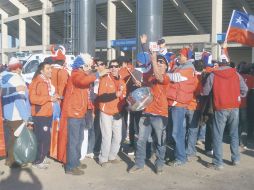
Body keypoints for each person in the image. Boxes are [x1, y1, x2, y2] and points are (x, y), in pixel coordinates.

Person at [62, 54, 107, 175]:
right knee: (74, 140)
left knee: (79, 139)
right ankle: (71, 167)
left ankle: (75, 162)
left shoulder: (82, 74)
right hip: (74, 112)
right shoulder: (76, 74)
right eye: (87, 65)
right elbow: (82, 82)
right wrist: (97, 74)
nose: (90, 67)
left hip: (80, 112)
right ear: (81, 65)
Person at [203, 55, 248, 170]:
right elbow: (245, 90)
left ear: (219, 63)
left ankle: (218, 163)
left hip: (220, 107)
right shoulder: (236, 74)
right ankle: (236, 159)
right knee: (234, 134)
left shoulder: (213, 75)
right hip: (234, 107)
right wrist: (237, 97)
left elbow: (205, 91)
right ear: (228, 63)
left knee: (218, 135)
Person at [129, 53, 170, 174]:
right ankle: (139, 164)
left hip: (160, 115)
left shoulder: (166, 77)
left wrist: (153, 59)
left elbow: (159, 77)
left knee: (159, 141)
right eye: (157, 62)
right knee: (141, 140)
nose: (158, 63)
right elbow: (148, 91)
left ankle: (159, 164)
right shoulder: (150, 78)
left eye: (161, 62)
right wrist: (140, 84)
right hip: (146, 112)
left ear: (166, 67)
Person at [166, 47, 196, 167]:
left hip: (178, 103)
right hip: (176, 103)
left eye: (182, 55)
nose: (179, 57)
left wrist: (164, 74)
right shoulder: (181, 67)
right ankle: (180, 155)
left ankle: (181, 158)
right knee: (179, 132)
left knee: (177, 133)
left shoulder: (188, 68)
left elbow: (174, 77)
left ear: (187, 57)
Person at [1, 57, 31, 168]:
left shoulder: (3, 76)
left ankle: (10, 159)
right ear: (18, 68)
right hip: (16, 113)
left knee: (10, 137)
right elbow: (20, 99)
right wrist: (26, 116)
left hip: (6, 112)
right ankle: (13, 161)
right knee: (16, 138)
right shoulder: (17, 79)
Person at [29, 61, 59, 169]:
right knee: (43, 138)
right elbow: (33, 99)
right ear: (41, 70)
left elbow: (47, 96)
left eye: (51, 68)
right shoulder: (37, 81)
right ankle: (38, 161)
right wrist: (49, 98)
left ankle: (41, 158)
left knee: (44, 138)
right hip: (40, 114)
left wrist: (54, 96)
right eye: (48, 68)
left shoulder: (47, 81)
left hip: (48, 113)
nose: (50, 70)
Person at [97, 60, 126, 167]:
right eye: (112, 66)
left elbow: (123, 98)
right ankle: (103, 159)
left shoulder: (122, 81)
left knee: (118, 137)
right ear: (109, 68)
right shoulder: (104, 79)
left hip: (117, 113)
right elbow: (101, 97)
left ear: (119, 68)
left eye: (116, 66)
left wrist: (122, 110)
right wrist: (115, 95)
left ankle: (112, 156)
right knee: (107, 136)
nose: (114, 68)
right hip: (106, 112)